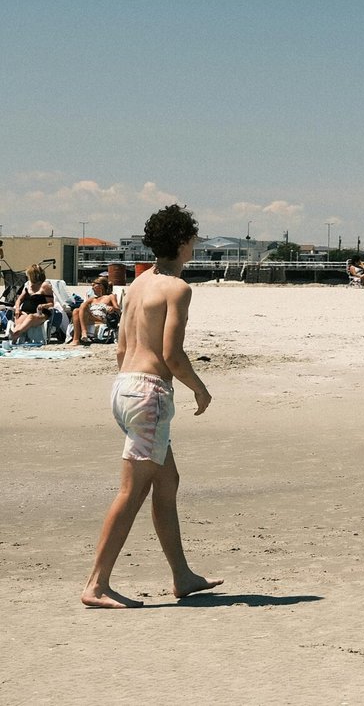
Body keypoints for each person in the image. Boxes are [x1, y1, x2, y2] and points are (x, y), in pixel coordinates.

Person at [81, 204, 221, 609]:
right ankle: (97, 584)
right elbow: (172, 354)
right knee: (132, 490)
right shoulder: (177, 289)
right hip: (149, 393)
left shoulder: (139, 285)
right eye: (192, 240)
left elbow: (122, 348)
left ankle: (182, 575)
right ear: (181, 242)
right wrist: (200, 389)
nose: (194, 246)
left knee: (167, 480)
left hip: (124, 387)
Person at [6, 263, 54, 342]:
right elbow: (19, 300)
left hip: (41, 314)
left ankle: (16, 334)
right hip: (26, 312)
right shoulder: (28, 286)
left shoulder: (45, 286)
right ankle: (14, 335)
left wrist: (43, 305)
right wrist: (17, 308)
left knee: (31, 317)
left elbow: (51, 303)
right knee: (20, 319)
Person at [72, 275, 121, 344]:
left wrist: (112, 308)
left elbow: (118, 309)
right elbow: (81, 308)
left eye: (93, 287)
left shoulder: (110, 296)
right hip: (90, 317)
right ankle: (76, 339)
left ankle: (83, 332)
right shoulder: (92, 299)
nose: (92, 289)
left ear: (100, 286)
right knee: (76, 310)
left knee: (82, 307)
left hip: (101, 318)